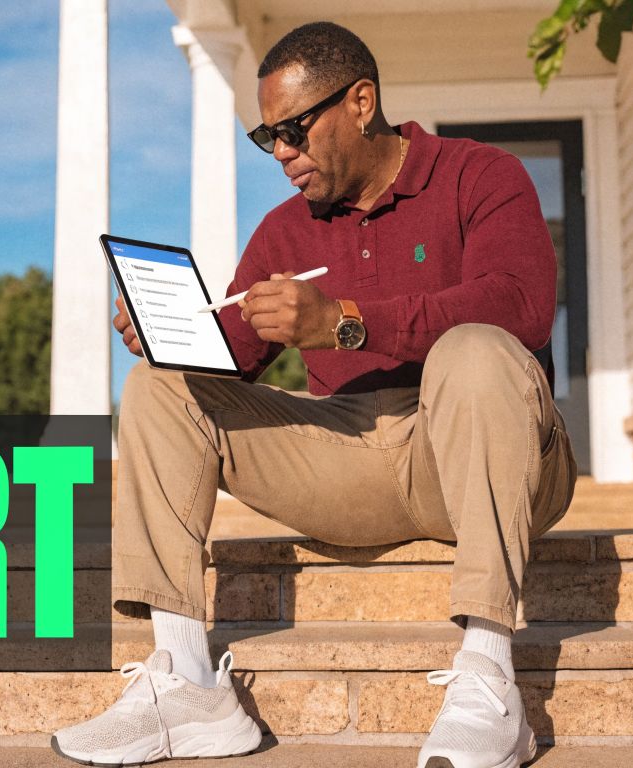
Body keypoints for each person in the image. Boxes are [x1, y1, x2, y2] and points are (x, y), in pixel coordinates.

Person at [51, 20, 577, 768]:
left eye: (293, 130)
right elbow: (234, 360)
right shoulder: (284, 231)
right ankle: (188, 686)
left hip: (492, 446)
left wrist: (345, 325)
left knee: (476, 350)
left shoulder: (480, 174)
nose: (283, 155)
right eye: (268, 139)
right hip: (350, 460)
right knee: (161, 388)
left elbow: (521, 305)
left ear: (360, 102)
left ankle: (490, 675)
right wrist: (169, 336)